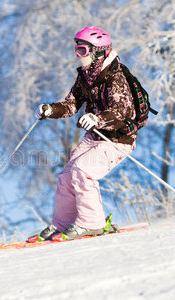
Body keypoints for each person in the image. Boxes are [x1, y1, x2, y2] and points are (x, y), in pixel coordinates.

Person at [32, 26, 137, 241]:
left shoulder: (115, 77)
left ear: (98, 51)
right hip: (95, 138)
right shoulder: (86, 77)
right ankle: (63, 224)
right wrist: (50, 110)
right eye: (77, 50)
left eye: (82, 51)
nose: (78, 56)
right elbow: (71, 105)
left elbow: (122, 112)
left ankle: (92, 223)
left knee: (83, 171)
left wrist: (98, 118)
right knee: (67, 177)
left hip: (117, 139)